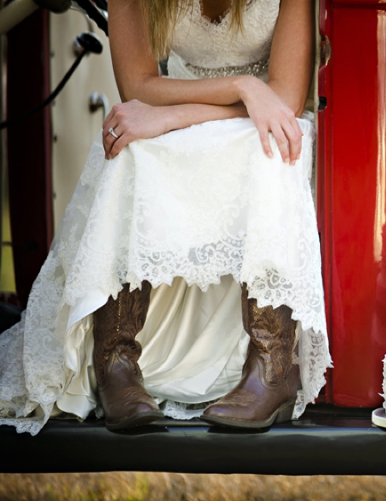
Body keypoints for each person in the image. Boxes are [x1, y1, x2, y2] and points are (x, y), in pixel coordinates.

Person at [0, 0, 331, 434]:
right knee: (131, 148)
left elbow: (284, 96)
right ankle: (115, 361)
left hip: (260, 120)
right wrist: (243, 89)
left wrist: (175, 115)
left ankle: (273, 365)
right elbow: (137, 84)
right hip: (192, 102)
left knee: (272, 150)